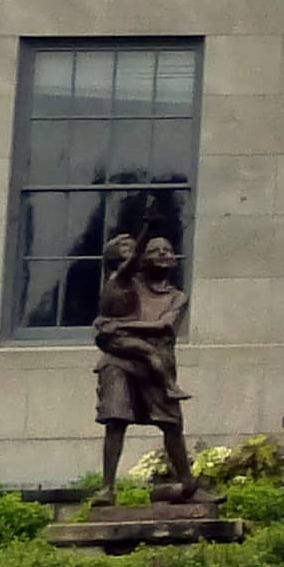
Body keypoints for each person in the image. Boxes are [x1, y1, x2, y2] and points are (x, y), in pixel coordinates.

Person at [91, 196, 194, 502]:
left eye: (168, 250)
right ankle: (107, 488)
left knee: (171, 424)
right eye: (155, 250)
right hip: (119, 360)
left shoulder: (177, 297)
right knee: (115, 419)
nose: (163, 254)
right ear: (142, 259)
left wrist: (116, 327)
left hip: (157, 363)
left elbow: (164, 326)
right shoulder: (127, 283)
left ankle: (186, 484)